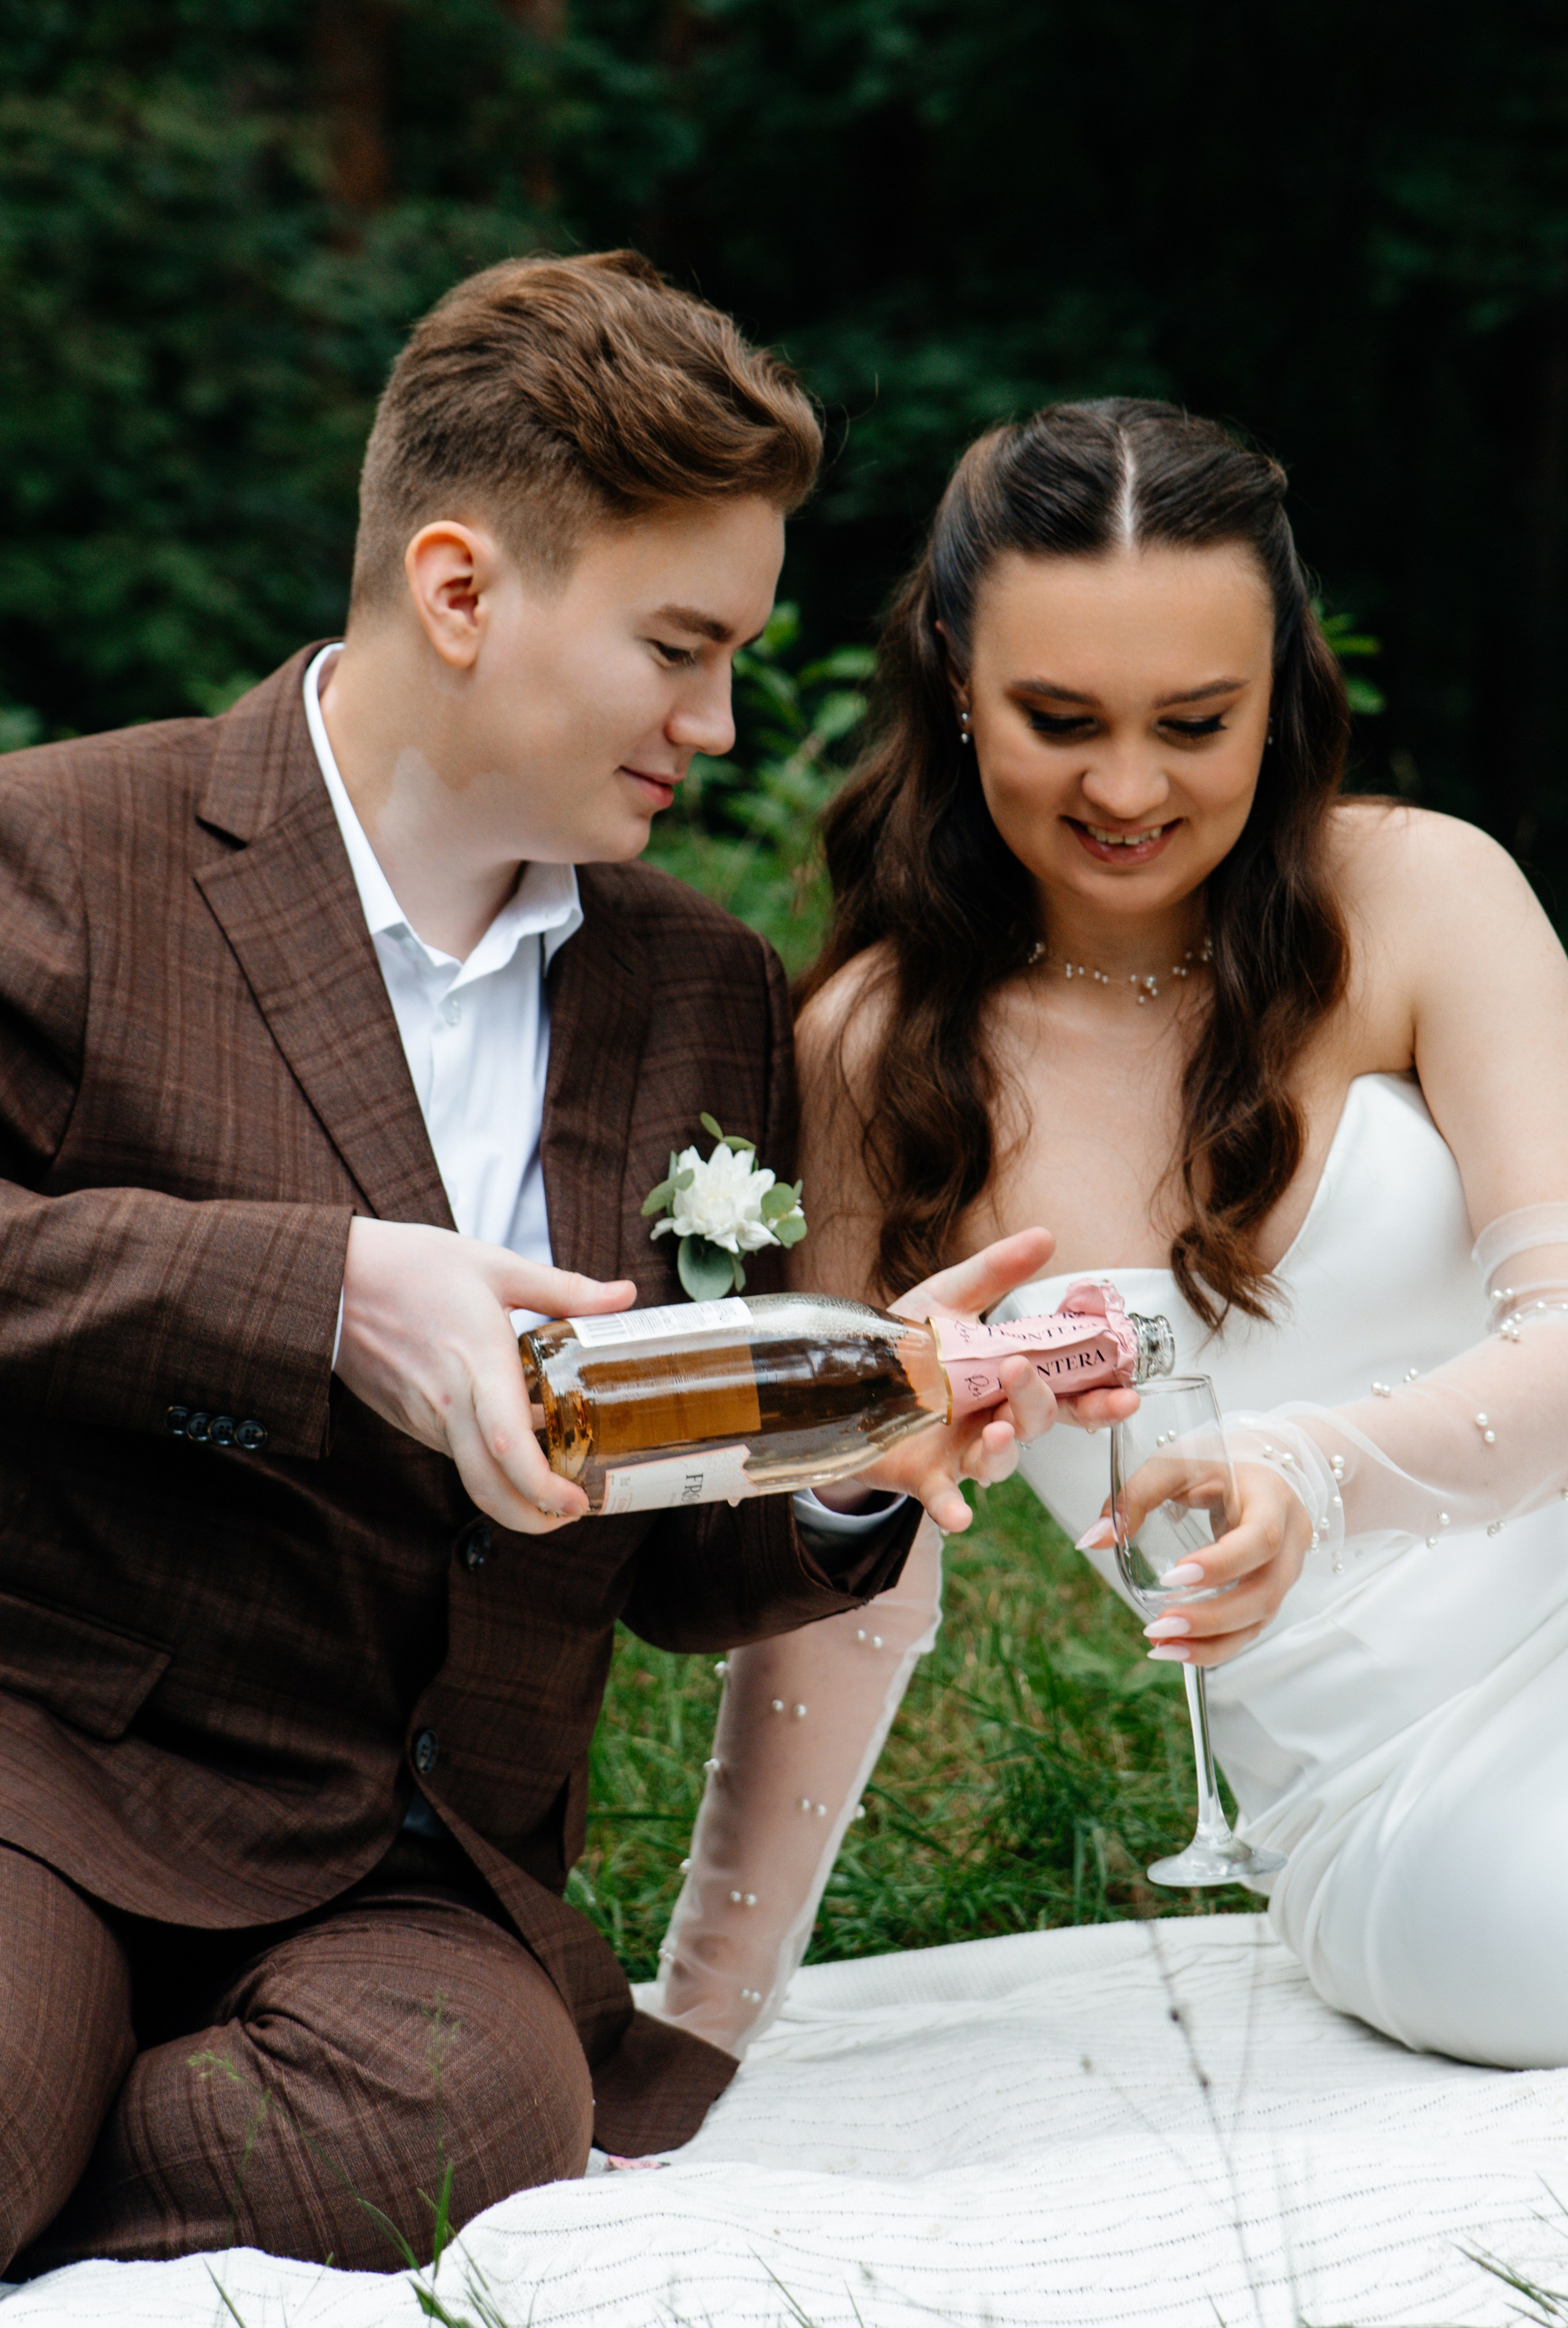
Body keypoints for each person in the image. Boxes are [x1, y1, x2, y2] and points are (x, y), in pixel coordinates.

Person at [0, 251, 1136, 2278]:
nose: (719, 720)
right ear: (460, 591)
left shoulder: (705, 991)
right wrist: (324, 1290)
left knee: (470, 2127)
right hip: (50, 1778)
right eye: (680, 648)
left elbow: (678, 1550)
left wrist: (868, 1434)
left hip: (410, 1881)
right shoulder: (66, 856)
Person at [650, 397, 1568, 2073]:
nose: (1129, 788)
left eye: (1197, 720)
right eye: (1059, 718)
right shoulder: (876, 1053)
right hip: (1399, 1793)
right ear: (951, 677)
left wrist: (1317, 1468)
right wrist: (703, 2019)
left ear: (1282, 682)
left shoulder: (1430, 896)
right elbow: (849, 1576)